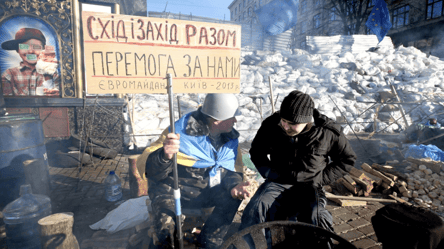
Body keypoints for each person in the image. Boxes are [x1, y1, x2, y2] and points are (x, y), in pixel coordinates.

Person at [239, 90, 357, 247]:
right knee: (255, 209)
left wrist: (320, 179)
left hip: (309, 185)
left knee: (316, 218)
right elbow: (257, 152)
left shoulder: (327, 132)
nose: (285, 126)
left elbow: (347, 159)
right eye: (283, 120)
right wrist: (270, 173)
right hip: (278, 182)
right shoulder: (271, 125)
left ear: (307, 120)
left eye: (292, 124)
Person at [137, 93, 251, 249]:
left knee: (233, 197)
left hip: (206, 190)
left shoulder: (229, 138)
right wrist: (164, 156)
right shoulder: (180, 132)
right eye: (232, 118)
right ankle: (168, 243)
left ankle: (209, 241)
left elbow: (232, 169)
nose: (235, 121)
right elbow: (151, 170)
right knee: (167, 232)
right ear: (217, 121)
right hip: (173, 189)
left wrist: (234, 185)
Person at [1, 28, 59, 96]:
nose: (31, 51)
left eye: (36, 47)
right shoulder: (9, 75)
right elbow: (6, 103)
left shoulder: (53, 75)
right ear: (17, 50)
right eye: (24, 46)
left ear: (43, 50)